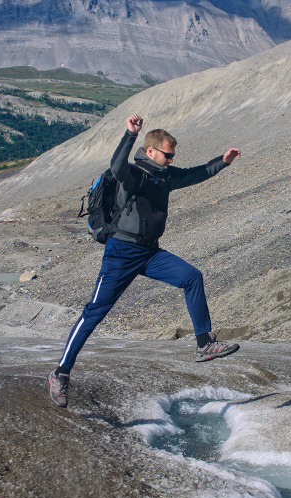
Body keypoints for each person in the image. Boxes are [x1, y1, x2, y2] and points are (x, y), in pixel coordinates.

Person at [49, 114, 241, 407]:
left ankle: (205, 344)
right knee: (94, 313)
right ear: (151, 150)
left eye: (173, 155)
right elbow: (116, 164)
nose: (171, 159)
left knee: (191, 276)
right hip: (121, 253)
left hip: (150, 252)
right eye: (167, 154)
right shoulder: (132, 174)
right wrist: (130, 135)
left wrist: (223, 161)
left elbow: (197, 173)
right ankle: (60, 374)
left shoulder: (166, 176)